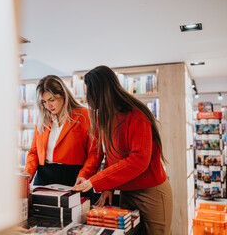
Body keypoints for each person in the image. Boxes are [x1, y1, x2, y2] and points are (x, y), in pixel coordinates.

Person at [73, 66, 173, 235]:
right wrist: (108, 187)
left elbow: (139, 160)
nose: (87, 98)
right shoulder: (105, 116)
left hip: (151, 194)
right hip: (127, 192)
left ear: (101, 91)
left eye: (89, 92)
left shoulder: (136, 114)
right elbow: (113, 157)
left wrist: (95, 181)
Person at [23, 75, 102, 189]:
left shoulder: (86, 116)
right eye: (44, 102)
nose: (48, 106)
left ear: (64, 95)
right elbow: (34, 151)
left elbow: (95, 153)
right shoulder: (42, 119)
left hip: (74, 178)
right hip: (43, 178)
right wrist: (28, 173)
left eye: (52, 100)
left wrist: (85, 174)